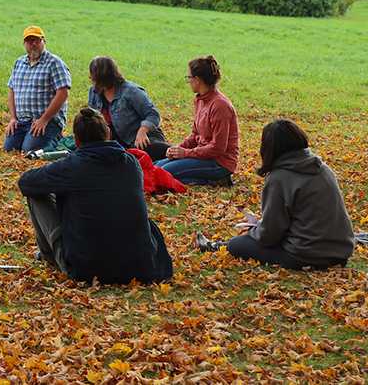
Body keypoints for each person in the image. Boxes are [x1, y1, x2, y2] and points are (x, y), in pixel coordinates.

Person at [17, 108, 173, 284]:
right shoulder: (131, 163)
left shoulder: (72, 167)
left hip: (86, 267)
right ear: (108, 133)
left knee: (36, 194)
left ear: (76, 140)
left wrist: (57, 180)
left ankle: (50, 255)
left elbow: (26, 183)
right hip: (140, 264)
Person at [197, 120, 355, 269]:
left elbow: (270, 235)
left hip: (306, 254)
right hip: (341, 250)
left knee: (236, 244)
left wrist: (254, 230)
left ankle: (216, 247)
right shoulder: (322, 168)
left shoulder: (279, 178)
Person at [154, 56, 239, 185]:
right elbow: (195, 135)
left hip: (219, 162)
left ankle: (216, 180)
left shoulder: (220, 106)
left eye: (189, 78)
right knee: (156, 166)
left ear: (197, 80)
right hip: (203, 155)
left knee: (163, 173)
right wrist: (178, 149)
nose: (188, 81)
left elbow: (218, 148)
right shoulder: (200, 100)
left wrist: (186, 153)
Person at [86, 56, 169, 161]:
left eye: (94, 77)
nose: (91, 80)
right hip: (114, 143)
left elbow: (153, 114)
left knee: (147, 154)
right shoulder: (94, 92)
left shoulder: (131, 92)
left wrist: (142, 131)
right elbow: (93, 119)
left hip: (140, 140)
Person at [4, 26, 71, 153]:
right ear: (24, 44)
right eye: (29, 41)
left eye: (37, 40)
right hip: (22, 121)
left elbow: (63, 93)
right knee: (9, 148)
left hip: (47, 120)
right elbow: (11, 90)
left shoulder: (54, 63)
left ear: (44, 42)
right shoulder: (19, 62)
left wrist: (44, 119)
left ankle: (57, 139)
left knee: (29, 149)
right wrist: (13, 118)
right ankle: (34, 137)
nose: (33, 44)